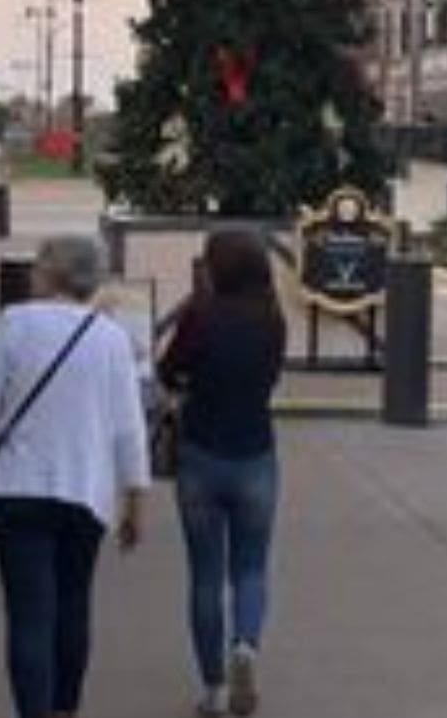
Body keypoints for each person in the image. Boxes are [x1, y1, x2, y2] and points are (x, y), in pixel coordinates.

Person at [0, 236, 149, 718]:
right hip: (86, 491)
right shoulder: (112, 338)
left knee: (28, 614)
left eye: (39, 263)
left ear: (51, 273)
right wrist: (135, 503)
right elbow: (130, 429)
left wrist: (7, 416)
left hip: (18, 487)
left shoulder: (14, 324)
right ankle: (66, 708)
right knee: (73, 604)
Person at [159, 231, 287, 718]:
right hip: (255, 453)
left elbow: (169, 371)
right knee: (251, 567)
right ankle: (246, 646)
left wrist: (188, 378)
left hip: (201, 454)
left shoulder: (199, 317)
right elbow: (270, 378)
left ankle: (213, 688)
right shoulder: (272, 321)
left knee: (205, 576)